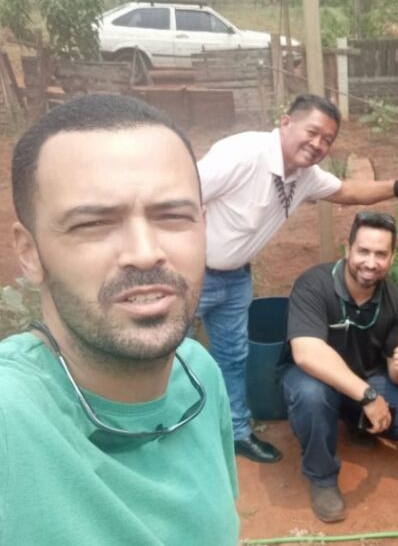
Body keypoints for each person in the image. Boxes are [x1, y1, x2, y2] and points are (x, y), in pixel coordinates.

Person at [2, 94, 239, 544]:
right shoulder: (12, 418)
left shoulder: (200, 373)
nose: (145, 252)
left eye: (173, 216)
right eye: (93, 224)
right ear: (29, 253)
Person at [196, 94, 398, 463]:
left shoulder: (305, 176)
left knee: (233, 356)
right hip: (187, 276)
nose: (318, 144)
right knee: (161, 356)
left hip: (235, 276)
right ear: (285, 122)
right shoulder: (242, 154)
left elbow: (349, 192)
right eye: (313, 132)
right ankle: (166, 441)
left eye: (328, 139)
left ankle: (237, 431)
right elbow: (180, 196)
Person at [279, 212, 398, 522]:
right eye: (363, 251)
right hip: (315, 379)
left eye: (381, 254)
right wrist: (367, 396)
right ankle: (322, 476)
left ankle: (355, 422)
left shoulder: (396, 301)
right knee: (312, 395)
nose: (370, 262)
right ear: (348, 249)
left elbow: (396, 372)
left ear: (392, 258)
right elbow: (306, 353)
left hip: (367, 379)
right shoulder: (314, 285)